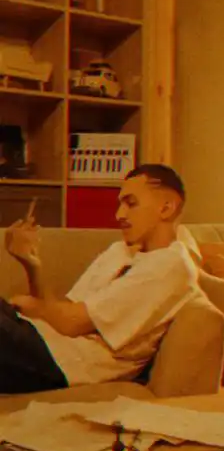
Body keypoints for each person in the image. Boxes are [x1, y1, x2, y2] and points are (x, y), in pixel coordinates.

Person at [1, 164, 201, 394]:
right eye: (120, 204)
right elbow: (64, 311)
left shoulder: (170, 266)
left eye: (131, 203)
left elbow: (71, 323)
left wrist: (35, 306)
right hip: (44, 338)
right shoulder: (120, 251)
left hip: (67, 363)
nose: (119, 215)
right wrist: (31, 264)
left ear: (166, 208)